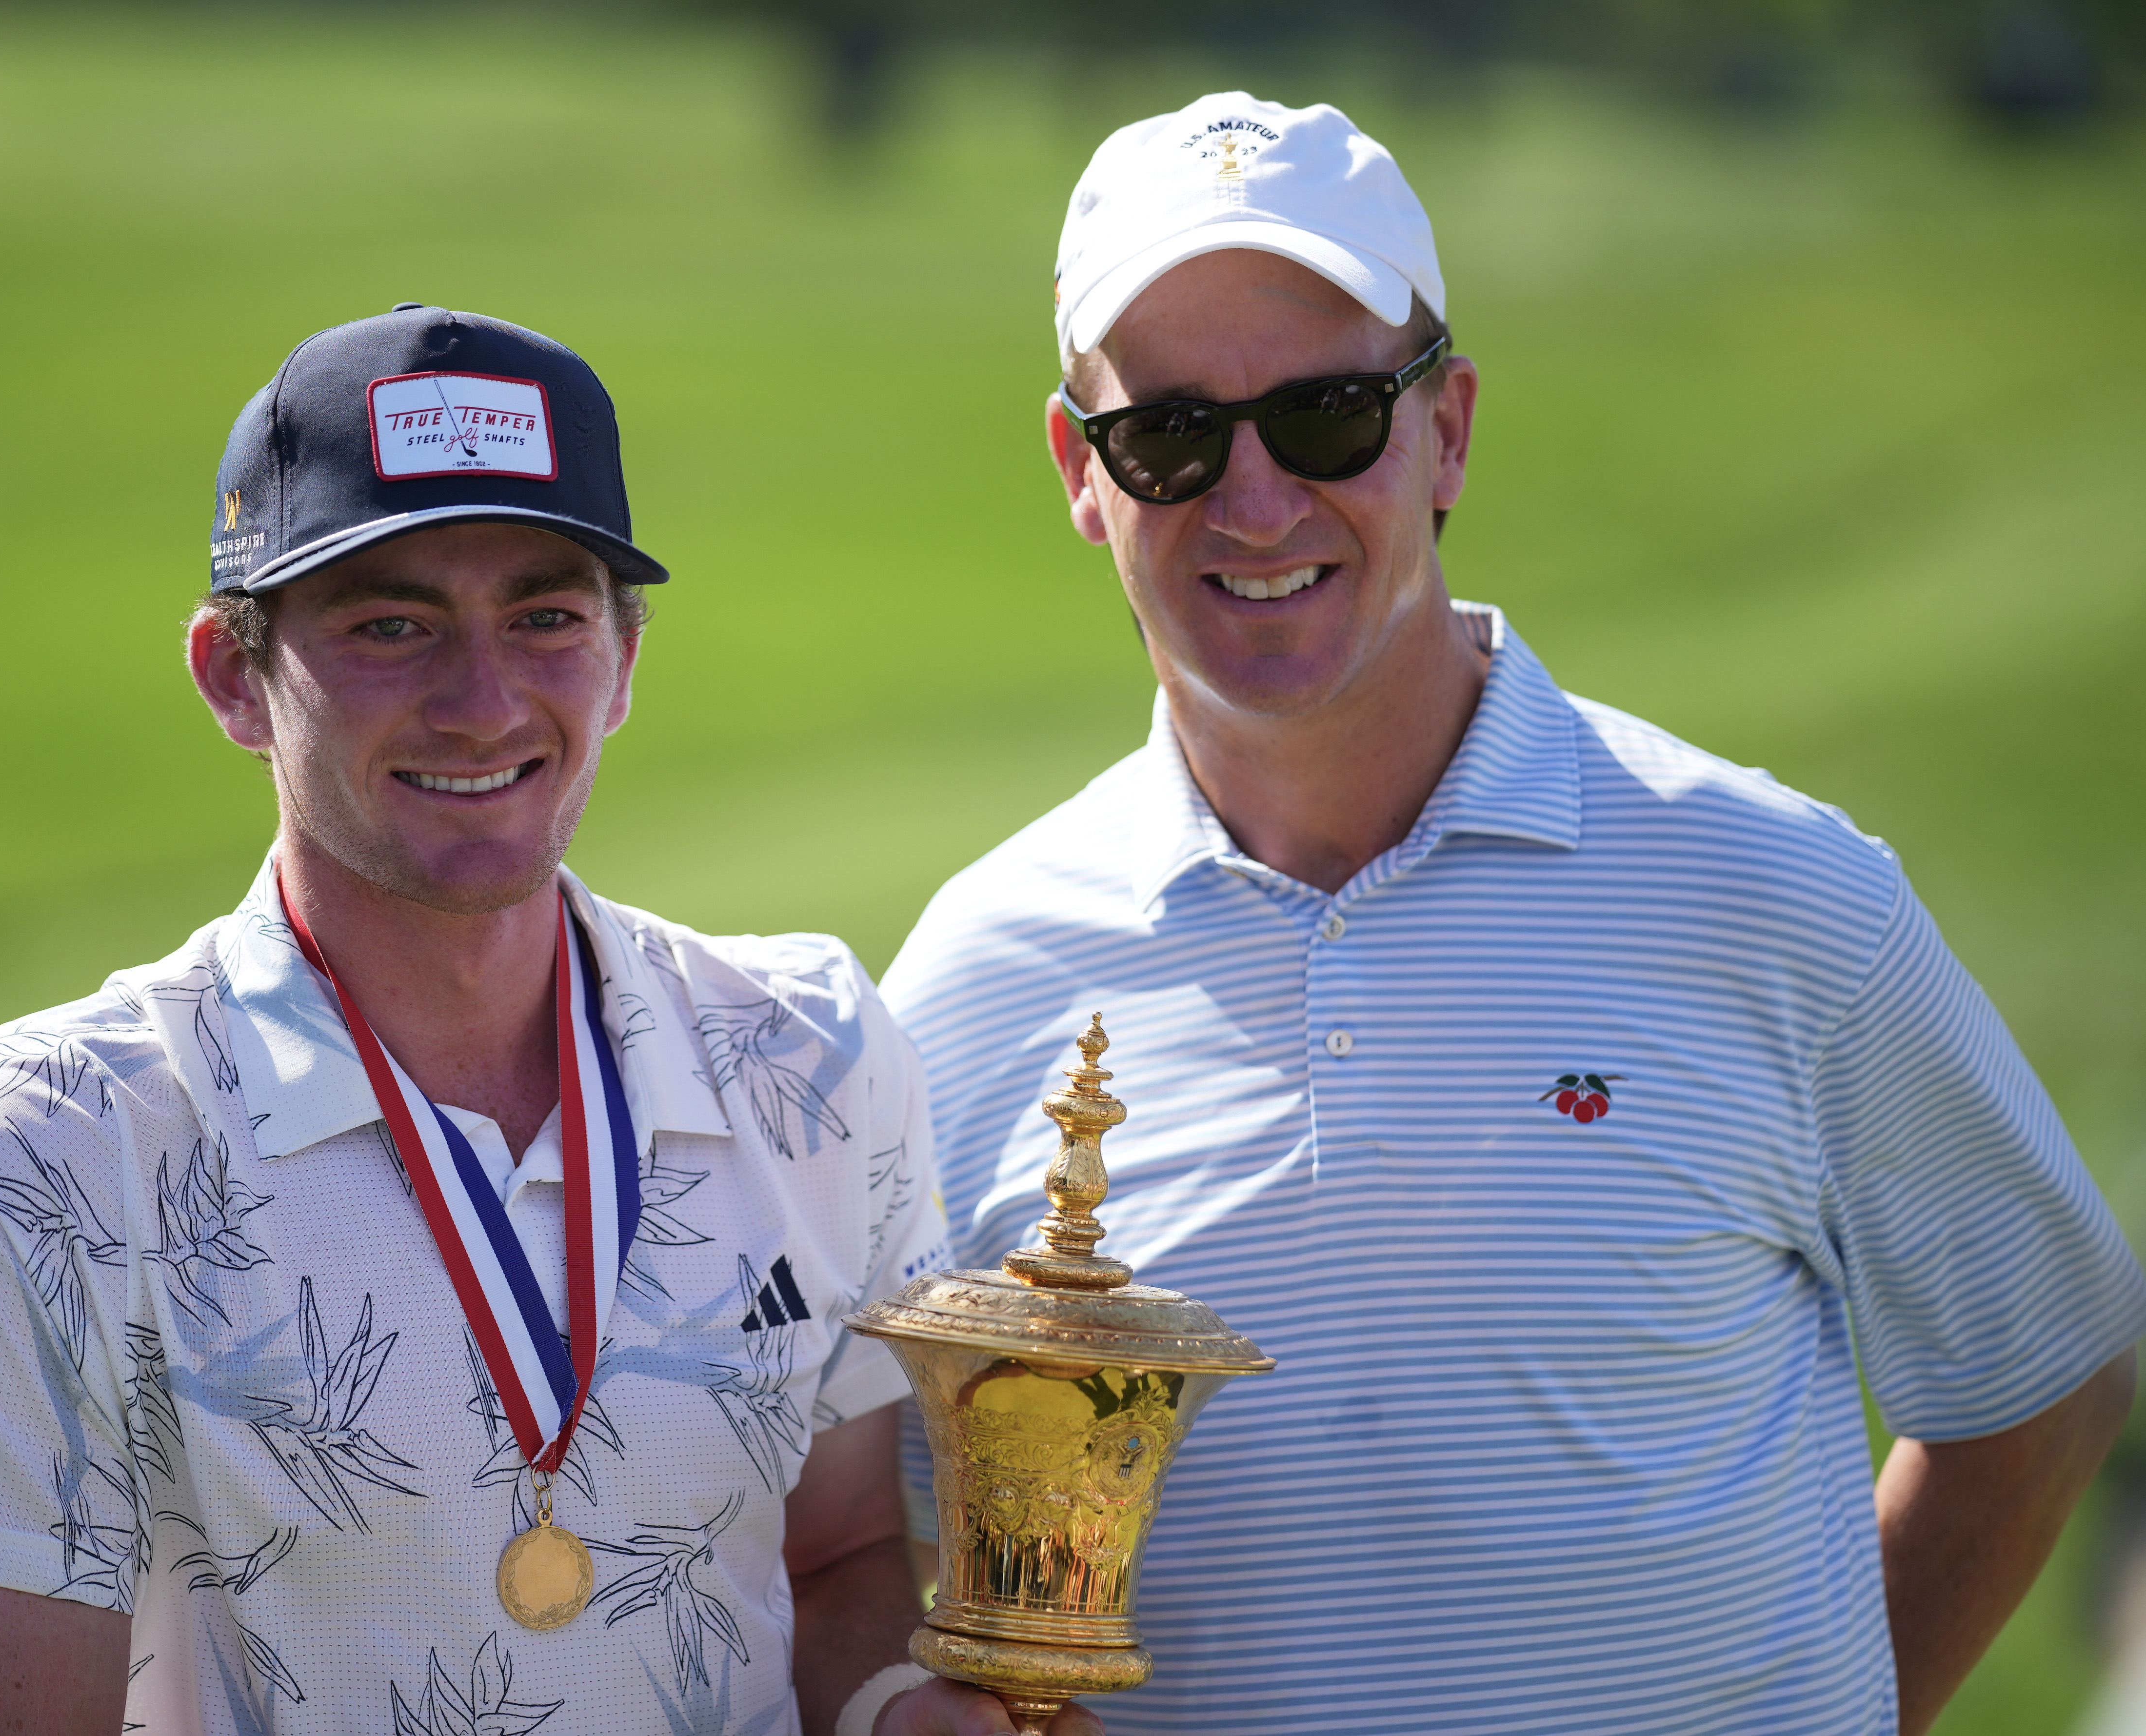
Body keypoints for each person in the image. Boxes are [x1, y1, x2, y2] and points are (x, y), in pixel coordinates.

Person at [880, 93, 2146, 1736]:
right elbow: (880, 1540)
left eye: (1329, 415)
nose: (1253, 502)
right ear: (1080, 470)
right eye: (1173, 435)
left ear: (1448, 428)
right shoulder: (972, 978)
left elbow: (2034, 1382)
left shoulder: (1776, 894)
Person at [0, 303, 1074, 1736]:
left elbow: (835, 1552)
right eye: (390, 625)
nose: (481, 702)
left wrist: (897, 1716)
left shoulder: (811, 1053)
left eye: (544, 616)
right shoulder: (40, 1156)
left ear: (627, 657)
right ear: (234, 676)